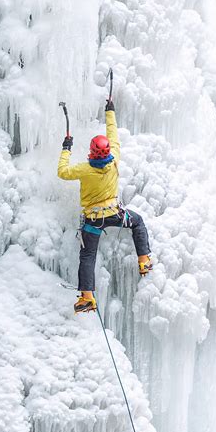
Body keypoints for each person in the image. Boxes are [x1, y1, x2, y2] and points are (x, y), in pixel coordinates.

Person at [57, 97, 152, 313]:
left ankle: (87, 297)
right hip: (115, 214)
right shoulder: (114, 159)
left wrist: (66, 148)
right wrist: (110, 111)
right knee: (137, 222)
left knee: (88, 255)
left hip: (93, 220)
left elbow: (62, 171)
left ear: (91, 152)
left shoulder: (83, 169)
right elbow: (113, 135)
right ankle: (144, 260)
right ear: (108, 152)